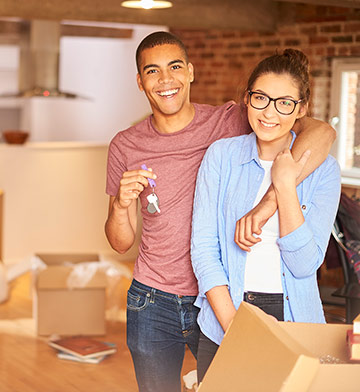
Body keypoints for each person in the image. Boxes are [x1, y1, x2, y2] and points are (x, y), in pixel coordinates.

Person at [105, 31, 335, 392]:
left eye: (175, 67)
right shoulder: (126, 145)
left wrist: (268, 204)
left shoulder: (230, 121)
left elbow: (320, 132)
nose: (166, 80)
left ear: (191, 72)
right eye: (152, 71)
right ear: (140, 81)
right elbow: (120, 244)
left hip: (213, 298)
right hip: (154, 300)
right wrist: (120, 204)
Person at [191, 48, 341, 383]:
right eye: (260, 98)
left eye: (284, 102)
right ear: (247, 99)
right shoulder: (221, 157)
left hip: (295, 321)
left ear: (301, 109)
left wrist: (286, 185)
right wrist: (234, 328)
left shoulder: (324, 171)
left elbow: (305, 265)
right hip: (226, 316)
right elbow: (203, 249)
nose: (269, 111)